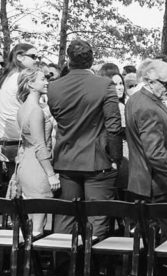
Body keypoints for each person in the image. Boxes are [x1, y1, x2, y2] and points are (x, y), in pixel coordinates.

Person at [47, 39, 123, 238]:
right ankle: (93, 265)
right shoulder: (104, 84)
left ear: (69, 60)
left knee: (65, 217)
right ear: (91, 60)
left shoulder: (54, 87)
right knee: (96, 218)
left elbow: (57, 116)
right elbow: (113, 126)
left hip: (66, 157)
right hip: (97, 160)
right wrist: (116, 158)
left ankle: (62, 266)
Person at [125, 59, 167, 229]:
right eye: (166, 83)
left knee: (152, 240)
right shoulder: (147, 107)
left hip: (148, 182)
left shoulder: (137, 100)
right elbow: (154, 154)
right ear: (150, 81)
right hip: (160, 186)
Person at [14, 69, 61, 234]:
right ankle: (29, 259)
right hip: (37, 168)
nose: (47, 82)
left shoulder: (22, 109)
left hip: (25, 164)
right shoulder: (35, 111)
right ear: (31, 84)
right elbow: (40, 146)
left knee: (28, 225)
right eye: (42, 79)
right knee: (37, 228)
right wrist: (50, 174)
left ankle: (25, 258)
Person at [0, 42, 40, 191]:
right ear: (20, 57)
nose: (37, 60)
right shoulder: (22, 78)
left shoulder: (6, 77)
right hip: (19, 143)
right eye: (33, 56)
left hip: (5, 143)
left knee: (9, 193)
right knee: (23, 192)